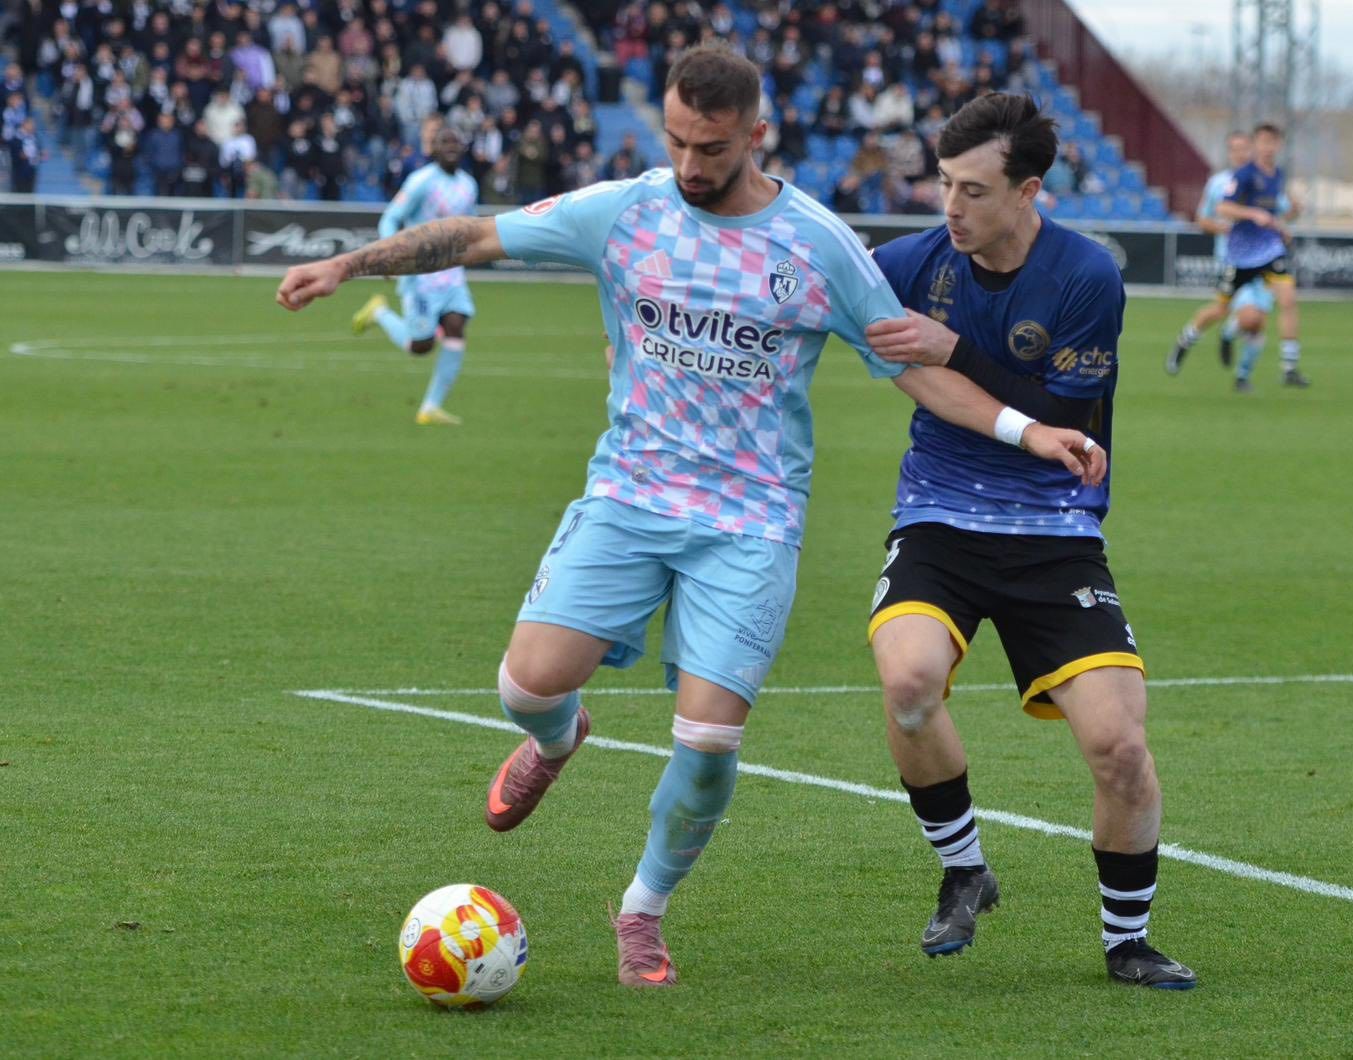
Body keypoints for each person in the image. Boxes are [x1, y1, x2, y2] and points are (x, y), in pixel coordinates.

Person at [275, 44, 1100, 989]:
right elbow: (473, 238)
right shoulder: (625, 211)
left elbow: (910, 366)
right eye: (676, 140)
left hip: (750, 522)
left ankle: (642, 911)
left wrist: (1028, 430)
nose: (690, 164)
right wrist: (351, 261)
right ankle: (556, 738)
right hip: (628, 496)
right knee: (525, 687)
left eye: (710, 146)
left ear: (757, 134)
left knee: (707, 742)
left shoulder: (818, 245)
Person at [859, 92, 1194, 990]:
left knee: (1120, 747)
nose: (951, 208)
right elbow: (814, 277)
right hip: (938, 515)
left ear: (1028, 191)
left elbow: (1058, 415)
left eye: (973, 190)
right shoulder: (912, 261)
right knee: (909, 683)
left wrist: (952, 346)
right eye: (943, 185)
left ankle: (1128, 943)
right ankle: (965, 866)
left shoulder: (1087, 275)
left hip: (1055, 531)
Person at [350, 127, 479, 426]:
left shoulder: (468, 185)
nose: (451, 147)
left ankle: (430, 407)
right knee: (420, 345)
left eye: (456, 142)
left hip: (452, 273)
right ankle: (379, 312)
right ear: (432, 148)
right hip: (420, 274)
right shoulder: (421, 181)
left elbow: (470, 226)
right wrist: (387, 254)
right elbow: (391, 217)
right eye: (444, 142)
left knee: (457, 325)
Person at [1166, 130, 1284, 385]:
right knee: (1227, 312)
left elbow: (1280, 212)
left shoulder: (1264, 178)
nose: (1240, 153)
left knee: (1257, 321)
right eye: (1235, 149)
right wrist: (1227, 228)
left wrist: (1287, 217)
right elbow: (1203, 220)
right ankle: (1186, 340)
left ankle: (1242, 376)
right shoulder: (1219, 183)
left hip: (1264, 259)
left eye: (1244, 148)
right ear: (1229, 153)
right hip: (1233, 260)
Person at [1215, 123, 1308, 388]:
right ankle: (1229, 333)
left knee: (1288, 300)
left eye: (1274, 142)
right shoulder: (1244, 175)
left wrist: (1284, 223)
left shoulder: (1278, 175)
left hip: (1270, 251)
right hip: (1242, 256)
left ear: (1279, 145)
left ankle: (1289, 367)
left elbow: (1273, 214)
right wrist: (1252, 214)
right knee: (1247, 318)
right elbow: (1224, 207)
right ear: (1255, 145)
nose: (1269, 147)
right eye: (1264, 142)